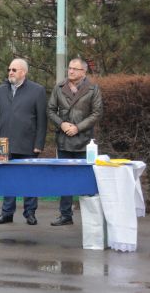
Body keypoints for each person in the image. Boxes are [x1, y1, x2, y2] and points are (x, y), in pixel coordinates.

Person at [47, 58, 103, 226]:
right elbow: (50, 110)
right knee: (65, 179)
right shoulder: (59, 87)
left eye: (75, 69)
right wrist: (62, 124)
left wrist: (77, 128)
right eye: (70, 68)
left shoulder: (93, 89)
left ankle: (90, 217)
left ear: (83, 72)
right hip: (64, 140)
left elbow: (97, 113)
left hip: (84, 141)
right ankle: (65, 215)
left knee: (86, 179)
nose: (70, 71)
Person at [0, 58, 47, 226]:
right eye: (9, 69)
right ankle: (7, 212)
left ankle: (30, 212)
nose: (10, 72)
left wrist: (39, 143)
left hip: (27, 143)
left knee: (29, 179)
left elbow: (42, 121)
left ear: (24, 72)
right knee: (8, 180)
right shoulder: (1, 91)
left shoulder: (37, 91)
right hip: (4, 144)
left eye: (14, 70)